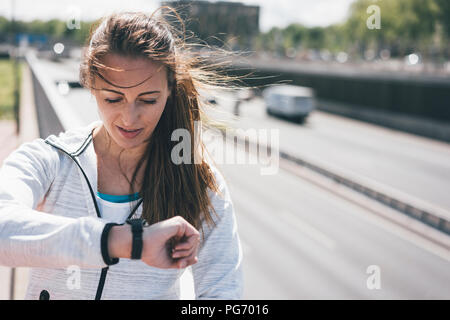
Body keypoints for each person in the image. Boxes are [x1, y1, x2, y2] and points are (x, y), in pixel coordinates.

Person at [0, 8, 243, 300]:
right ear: (91, 85)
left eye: (148, 100)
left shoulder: (198, 180)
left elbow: (224, 293)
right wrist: (129, 242)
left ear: (169, 90)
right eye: (113, 98)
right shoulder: (49, 160)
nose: (129, 118)